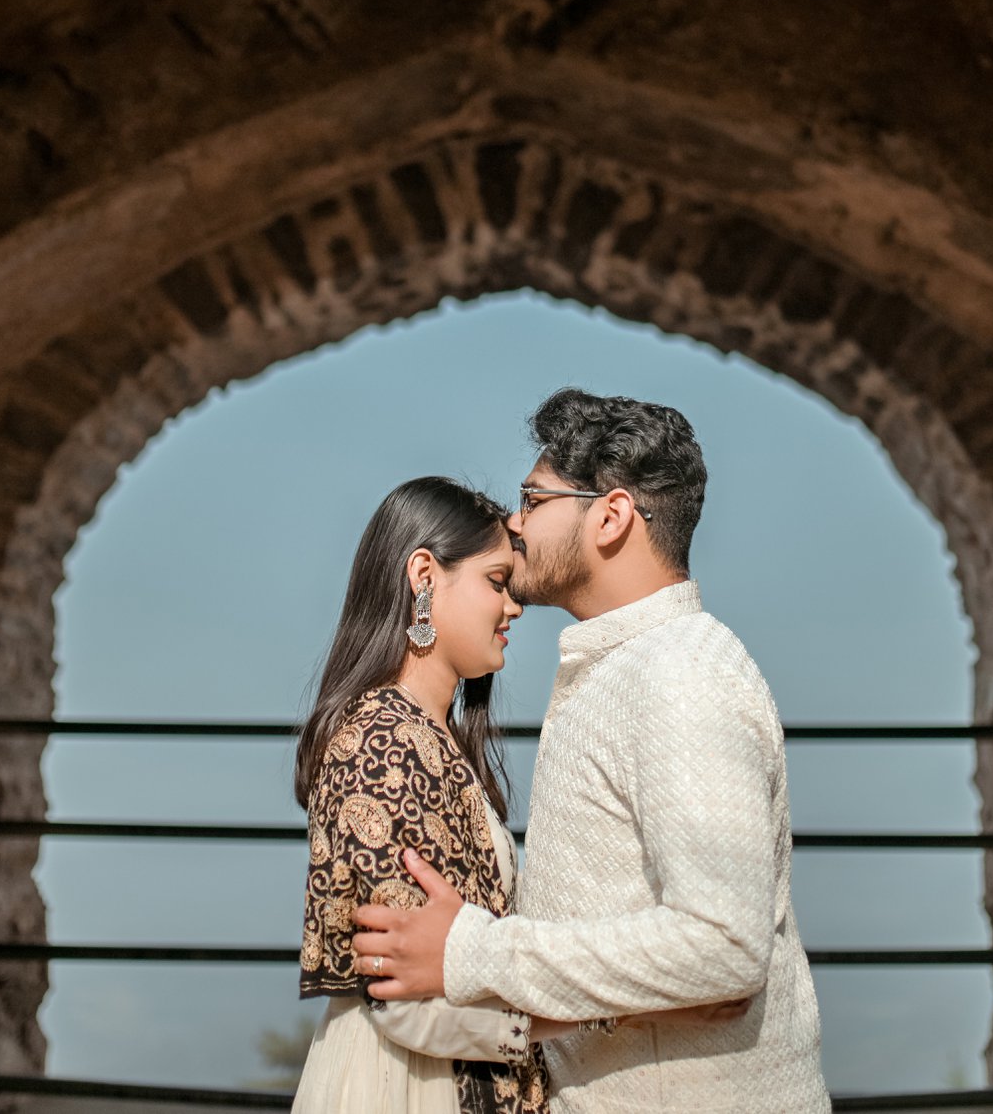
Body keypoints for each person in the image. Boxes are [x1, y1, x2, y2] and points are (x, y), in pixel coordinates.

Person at [352, 392, 829, 1114]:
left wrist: (472, 948)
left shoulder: (680, 673)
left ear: (609, 516)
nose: (514, 522)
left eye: (533, 498)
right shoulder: (621, 670)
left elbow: (723, 946)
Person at [292, 476, 742, 1114]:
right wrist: (613, 1010)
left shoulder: (436, 743)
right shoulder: (378, 742)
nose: (514, 608)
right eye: (496, 582)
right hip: (406, 1089)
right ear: (424, 574)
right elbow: (400, 997)